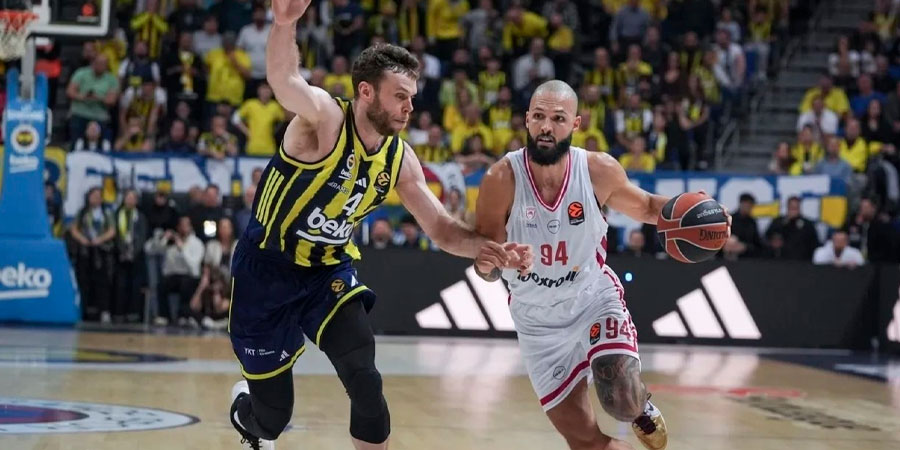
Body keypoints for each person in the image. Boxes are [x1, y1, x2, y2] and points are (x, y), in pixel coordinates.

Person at [228, 1, 533, 449]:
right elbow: (284, 81)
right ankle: (245, 410)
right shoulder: (324, 120)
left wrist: (488, 249)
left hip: (327, 272)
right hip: (267, 270)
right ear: (367, 92)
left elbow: (441, 228)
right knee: (271, 418)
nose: (410, 107)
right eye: (400, 96)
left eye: (412, 97)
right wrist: (284, 23)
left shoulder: (399, 157)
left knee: (366, 381)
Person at [475, 80, 731, 450]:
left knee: (622, 402)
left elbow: (648, 207)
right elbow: (486, 265)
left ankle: (639, 405)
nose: (547, 126)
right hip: (536, 321)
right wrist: (494, 262)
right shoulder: (500, 179)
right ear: (527, 120)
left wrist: (707, 213)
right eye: (539, 117)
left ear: (576, 124)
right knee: (585, 441)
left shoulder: (597, 170)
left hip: (593, 299)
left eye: (558, 118)